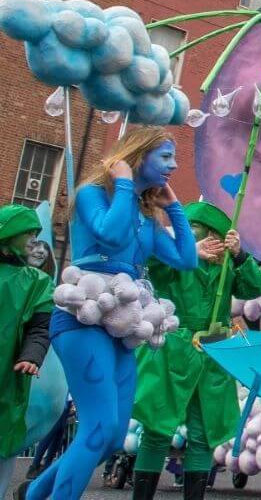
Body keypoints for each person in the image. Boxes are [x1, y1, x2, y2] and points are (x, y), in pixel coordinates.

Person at [26, 128, 197, 500]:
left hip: (121, 323)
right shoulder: (92, 194)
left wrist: (174, 209)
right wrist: (122, 183)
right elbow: (111, 233)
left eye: (174, 157)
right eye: (165, 156)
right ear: (136, 156)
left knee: (113, 435)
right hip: (82, 319)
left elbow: (186, 258)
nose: (174, 165)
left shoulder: (145, 214)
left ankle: (36, 492)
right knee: (98, 427)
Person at [131, 201, 261, 500]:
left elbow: (255, 289)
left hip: (213, 351)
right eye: (190, 229)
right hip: (173, 347)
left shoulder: (229, 264)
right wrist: (189, 252)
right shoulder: (175, 257)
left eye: (199, 230)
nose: (194, 235)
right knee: (156, 428)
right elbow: (150, 264)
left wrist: (240, 255)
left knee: (203, 433)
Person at [0, 205, 54, 499]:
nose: (34, 240)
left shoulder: (36, 282)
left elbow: (40, 327)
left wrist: (31, 356)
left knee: (3, 445)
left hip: (8, 380)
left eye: (36, 233)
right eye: (28, 234)